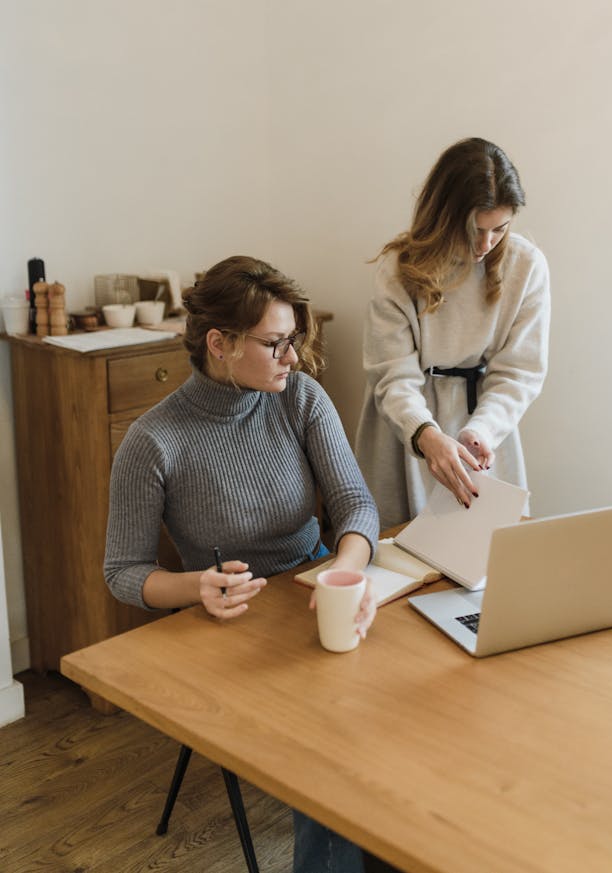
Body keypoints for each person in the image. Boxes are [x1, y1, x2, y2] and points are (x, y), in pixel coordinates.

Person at [104, 255, 380, 873]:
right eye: (276, 343)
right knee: (331, 753)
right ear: (219, 344)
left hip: (315, 589)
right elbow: (123, 571)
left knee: (408, 710)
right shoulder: (154, 440)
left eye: (293, 341)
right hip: (232, 621)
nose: (292, 357)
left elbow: (356, 505)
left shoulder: (300, 399)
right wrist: (195, 588)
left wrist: (348, 570)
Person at [355, 136, 550, 526]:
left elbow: (519, 372)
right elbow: (392, 374)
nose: (485, 244)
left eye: (499, 229)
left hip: (482, 421)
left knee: (486, 555)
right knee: (398, 558)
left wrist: (482, 430)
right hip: (405, 425)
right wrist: (425, 434)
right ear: (443, 217)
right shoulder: (398, 269)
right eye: (474, 229)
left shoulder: (526, 267)